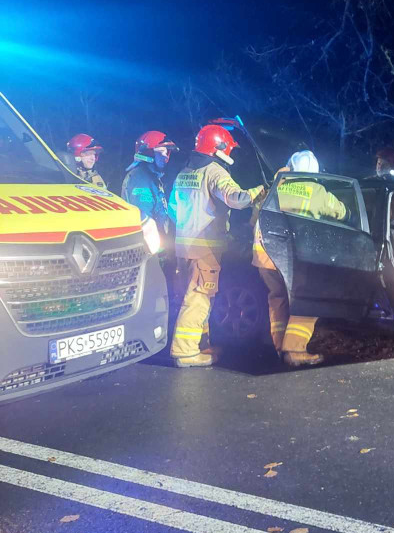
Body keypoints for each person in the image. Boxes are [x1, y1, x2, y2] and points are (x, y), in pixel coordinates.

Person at [167, 122, 264, 368]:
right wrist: (259, 191)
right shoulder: (214, 172)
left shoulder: (185, 172)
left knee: (192, 295)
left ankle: (199, 343)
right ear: (218, 147)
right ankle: (185, 352)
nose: (230, 153)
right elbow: (237, 199)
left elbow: (173, 209)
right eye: (228, 148)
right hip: (205, 247)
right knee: (199, 298)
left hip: (183, 246)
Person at [252, 150, 348, 367]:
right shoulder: (317, 191)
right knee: (308, 301)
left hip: (264, 257)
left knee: (277, 299)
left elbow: (254, 219)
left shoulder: (274, 188)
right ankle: (294, 350)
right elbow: (342, 213)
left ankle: (279, 348)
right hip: (293, 260)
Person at [122, 130, 177, 252]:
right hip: (147, 247)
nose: (166, 157)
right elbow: (144, 216)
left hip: (155, 244)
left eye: (167, 152)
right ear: (148, 153)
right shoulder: (140, 178)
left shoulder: (153, 177)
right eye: (161, 152)